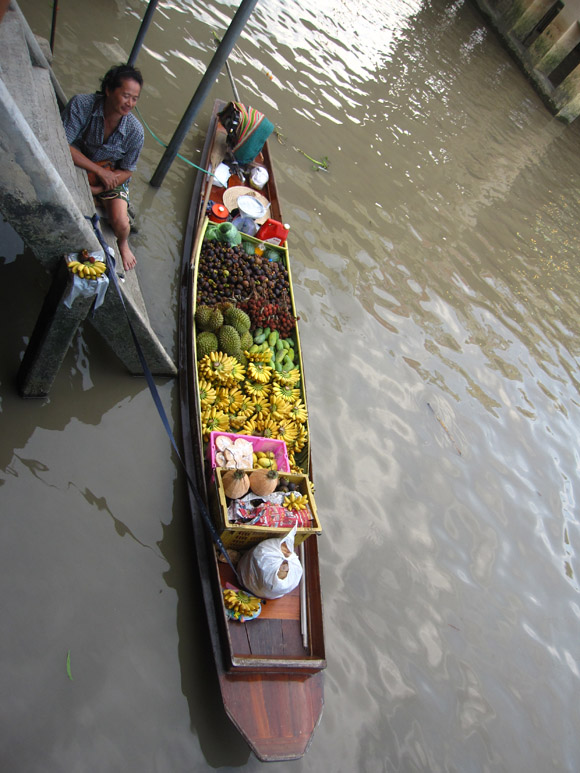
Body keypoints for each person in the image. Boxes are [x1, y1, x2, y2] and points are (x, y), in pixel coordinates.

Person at [61, 65, 145, 271]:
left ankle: (123, 244)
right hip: (80, 162)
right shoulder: (82, 104)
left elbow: (127, 170)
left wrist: (101, 186)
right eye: (126, 96)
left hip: (111, 177)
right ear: (108, 90)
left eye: (135, 99)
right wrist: (98, 171)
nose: (130, 103)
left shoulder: (135, 131)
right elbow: (62, 143)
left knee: (121, 224)